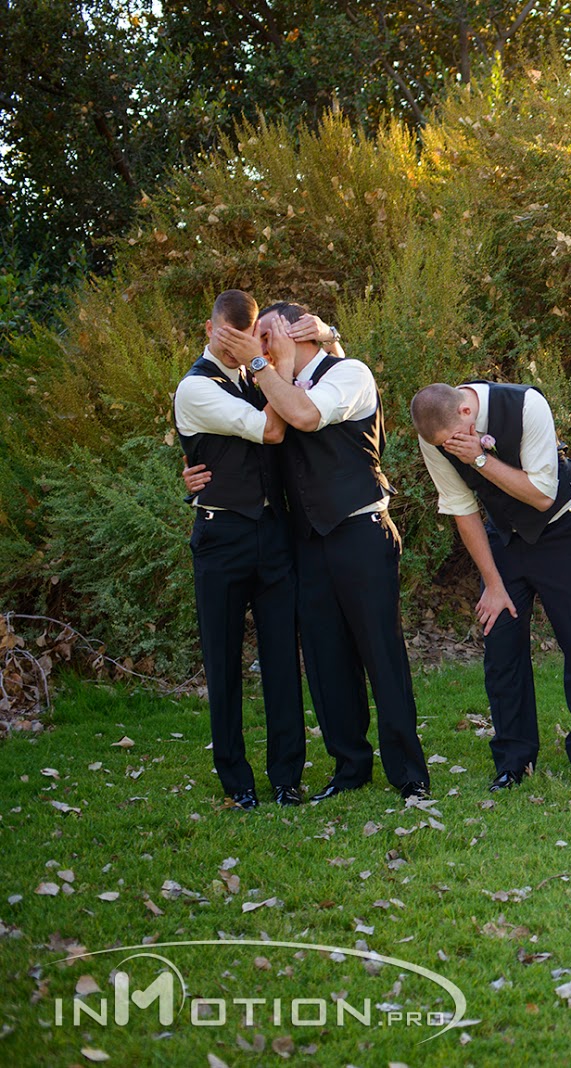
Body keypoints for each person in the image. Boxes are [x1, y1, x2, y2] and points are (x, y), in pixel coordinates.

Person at [213, 302, 431, 801]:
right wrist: (198, 475)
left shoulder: (349, 372)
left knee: (381, 654)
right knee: (325, 659)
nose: (257, 346)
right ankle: (350, 768)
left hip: (360, 530)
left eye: (264, 335)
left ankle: (409, 773)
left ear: (296, 333)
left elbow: (306, 416)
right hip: (308, 541)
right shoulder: (271, 385)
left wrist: (272, 363)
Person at [410, 379, 571, 787]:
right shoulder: (435, 435)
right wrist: (493, 583)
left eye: (454, 439)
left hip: (563, 529)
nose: (449, 448)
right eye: (443, 445)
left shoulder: (526, 405)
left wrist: (479, 459)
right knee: (501, 644)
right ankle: (513, 761)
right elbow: (462, 508)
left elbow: (542, 495)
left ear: (466, 411)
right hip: (505, 538)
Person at [173, 289, 304, 809]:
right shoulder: (194, 389)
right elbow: (271, 430)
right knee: (223, 662)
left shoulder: (255, 374)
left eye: (244, 340)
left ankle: (287, 778)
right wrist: (271, 366)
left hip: (272, 535)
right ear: (210, 330)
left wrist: (264, 364)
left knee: (282, 660)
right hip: (221, 538)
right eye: (227, 341)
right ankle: (237, 781)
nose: (236, 351)